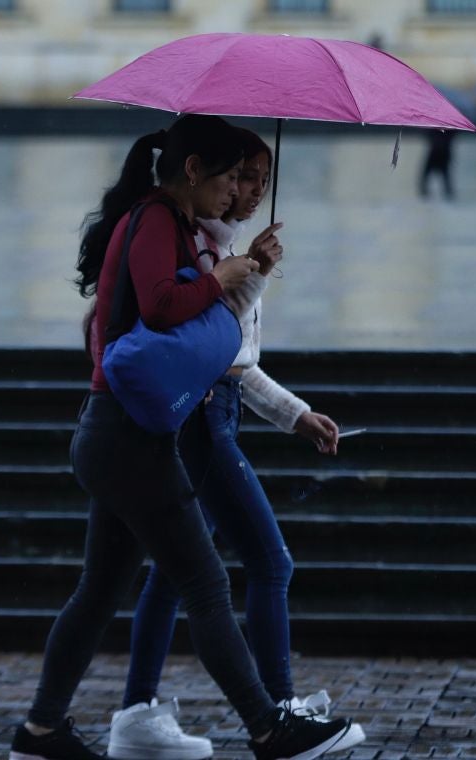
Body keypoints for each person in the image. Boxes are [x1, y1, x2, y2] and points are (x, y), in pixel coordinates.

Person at [9, 114, 355, 760]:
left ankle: (40, 732)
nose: (233, 194)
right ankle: (267, 725)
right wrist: (222, 278)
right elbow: (163, 304)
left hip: (118, 437)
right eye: (228, 178)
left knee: (99, 592)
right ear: (192, 170)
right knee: (205, 583)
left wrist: (237, 270)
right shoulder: (156, 219)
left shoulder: (175, 225)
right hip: (127, 440)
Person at [106, 127, 366, 760]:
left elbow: (235, 357)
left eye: (260, 182)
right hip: (202, 419)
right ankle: (277, 707)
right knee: (267, 561)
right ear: (202, 174)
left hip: (212, 412)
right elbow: (217, 349)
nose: (247, 193)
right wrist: (248, 272)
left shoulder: (216, 245)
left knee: (173, 573)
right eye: (241, 178)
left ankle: (136, 710)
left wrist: (294, 414)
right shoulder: (197, 244)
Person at [419, 129, 456, 200]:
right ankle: (425, 195)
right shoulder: (435, 127)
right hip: (436, 153)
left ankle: (449, 195)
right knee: (426, 177)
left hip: (442, 153)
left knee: (445, 177)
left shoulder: (449, 128)